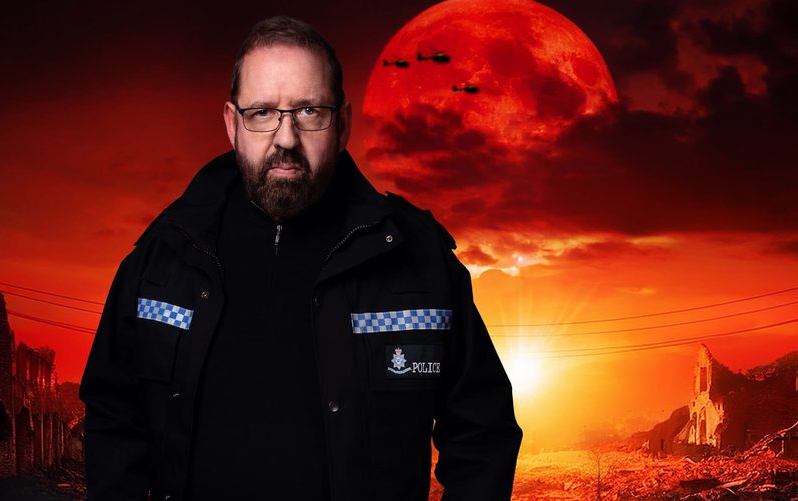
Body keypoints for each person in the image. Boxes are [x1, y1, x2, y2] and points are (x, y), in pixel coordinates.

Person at [79, 15, 522, 501]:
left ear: (344, 124)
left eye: (309, 111)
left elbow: (483, 432)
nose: (286, 138)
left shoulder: (418, 260)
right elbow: (112, 416)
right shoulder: (164, 258)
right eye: (263, 112)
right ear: (232, 123)